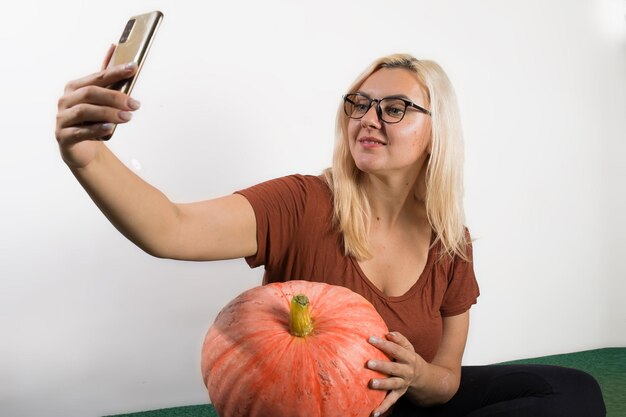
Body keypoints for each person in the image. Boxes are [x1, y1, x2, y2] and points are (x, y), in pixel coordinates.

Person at [55, 50, 606, 417]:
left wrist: (414, 375)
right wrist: (84, 155)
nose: (369, 118)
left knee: (574, 390)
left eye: (395, 109)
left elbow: (447, 383)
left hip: (404, 407)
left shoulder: (449, 241)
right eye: (360, 104)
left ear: (438, 133)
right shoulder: (301, 203)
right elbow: (169, 229)